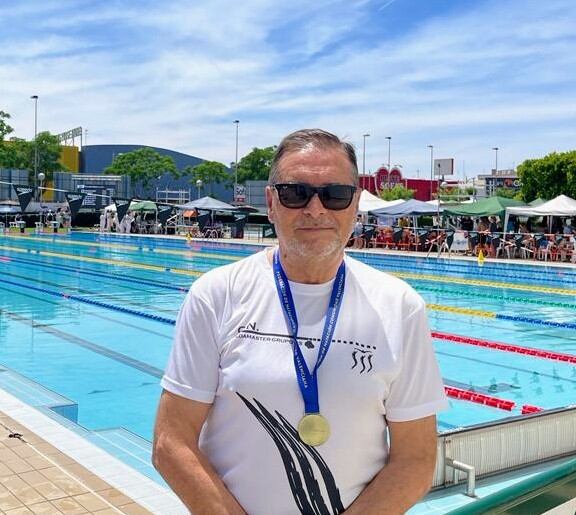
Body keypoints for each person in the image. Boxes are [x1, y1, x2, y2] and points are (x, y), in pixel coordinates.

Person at [153, 129, 448, 515]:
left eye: (335, 195)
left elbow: (416, 459)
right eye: (296, 193)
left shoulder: (399, 306)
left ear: (355, 205)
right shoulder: (216, 295)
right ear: (272, 203)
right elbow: (171, 443)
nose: (315, 209)